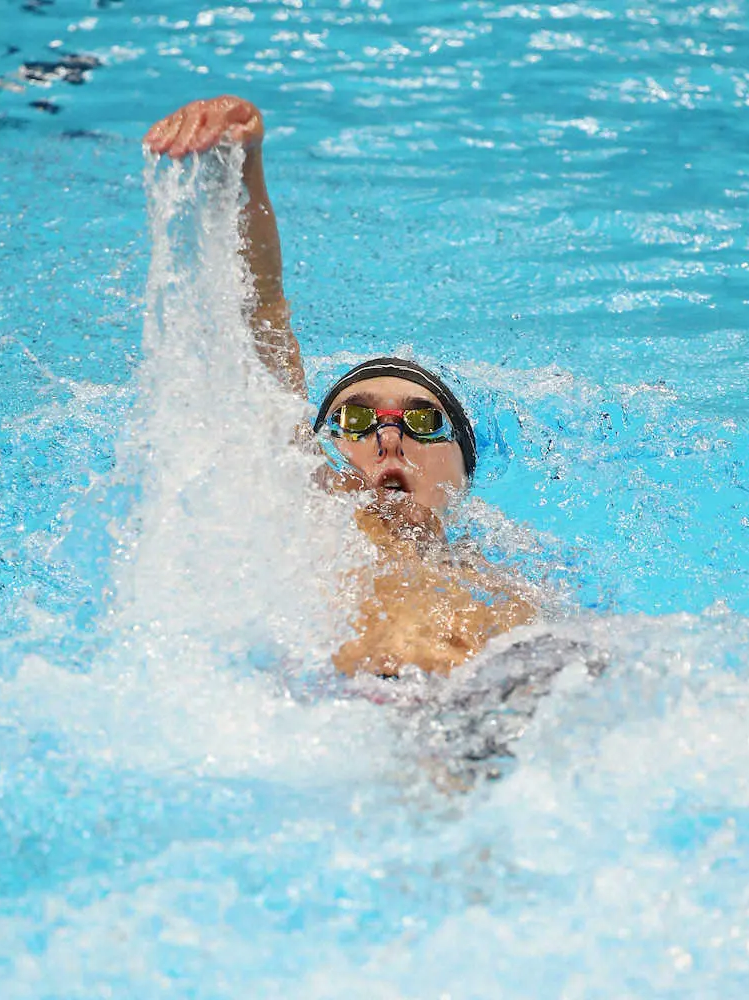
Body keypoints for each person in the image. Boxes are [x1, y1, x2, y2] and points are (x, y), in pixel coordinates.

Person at [144, 95, 538, 678]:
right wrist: (246, 162)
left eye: (424, 422)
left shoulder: (518, 584)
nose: (388, 441)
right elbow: (265, 316)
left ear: (464, 469)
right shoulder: (304, 527)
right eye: (354, 421)